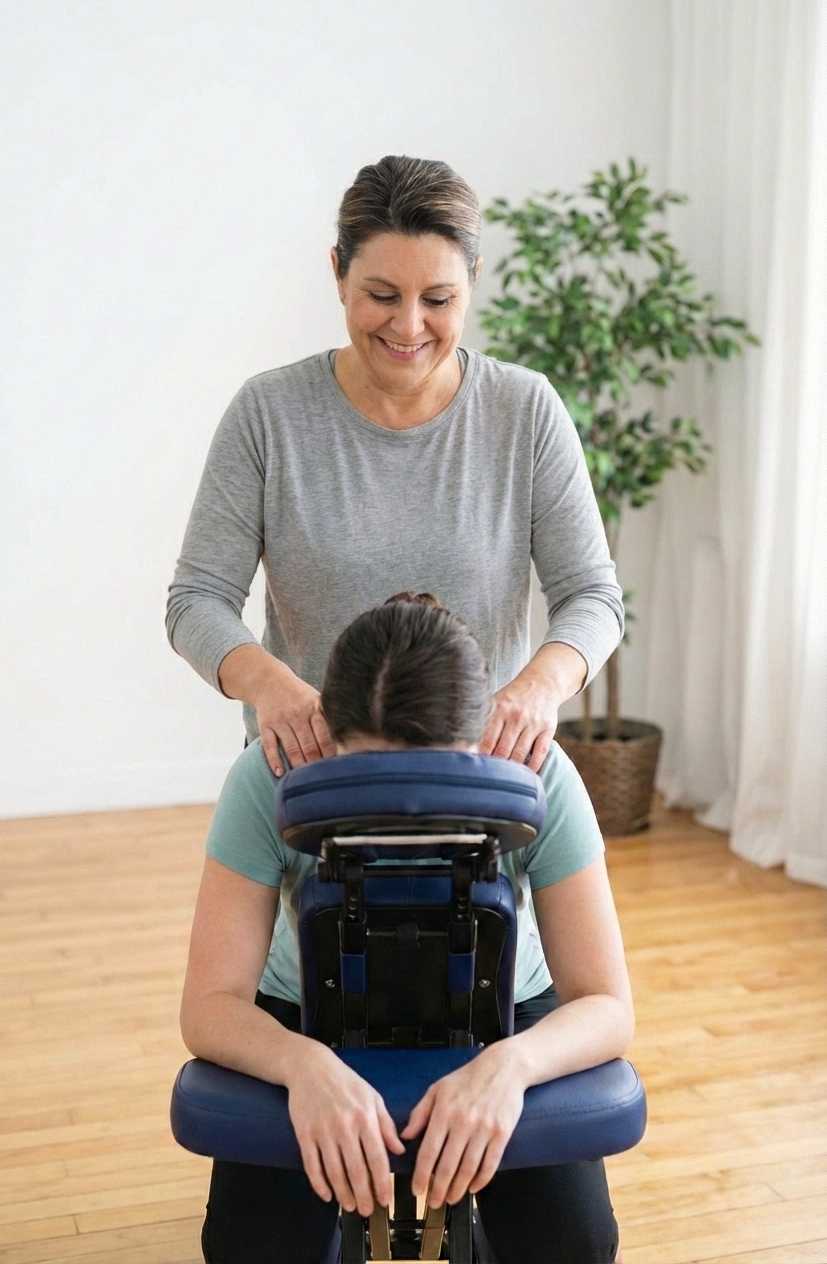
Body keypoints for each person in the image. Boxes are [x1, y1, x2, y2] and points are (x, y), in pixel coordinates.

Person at [181, 594, 633, 1264]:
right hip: (304, 1005)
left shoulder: (537, 772)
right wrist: (301, 1065)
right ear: (326, 735)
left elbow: (607, 1004)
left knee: (572, 1246)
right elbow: (209, 1005)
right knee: (251, 1250)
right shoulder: (269, 776)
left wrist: (511, 1065)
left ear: (481, 740)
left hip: (505, 1006)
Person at [166, 154, 624, 778]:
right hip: (312, 775)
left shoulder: (525, 410)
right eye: (381, 296)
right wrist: (270, 686)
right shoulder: (268, 414)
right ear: (338, 273)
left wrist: (539, 688)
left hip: (478, 778)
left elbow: (593, 596)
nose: (409, 327)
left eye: (439, 298)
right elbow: (198, 599)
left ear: (474, 279)